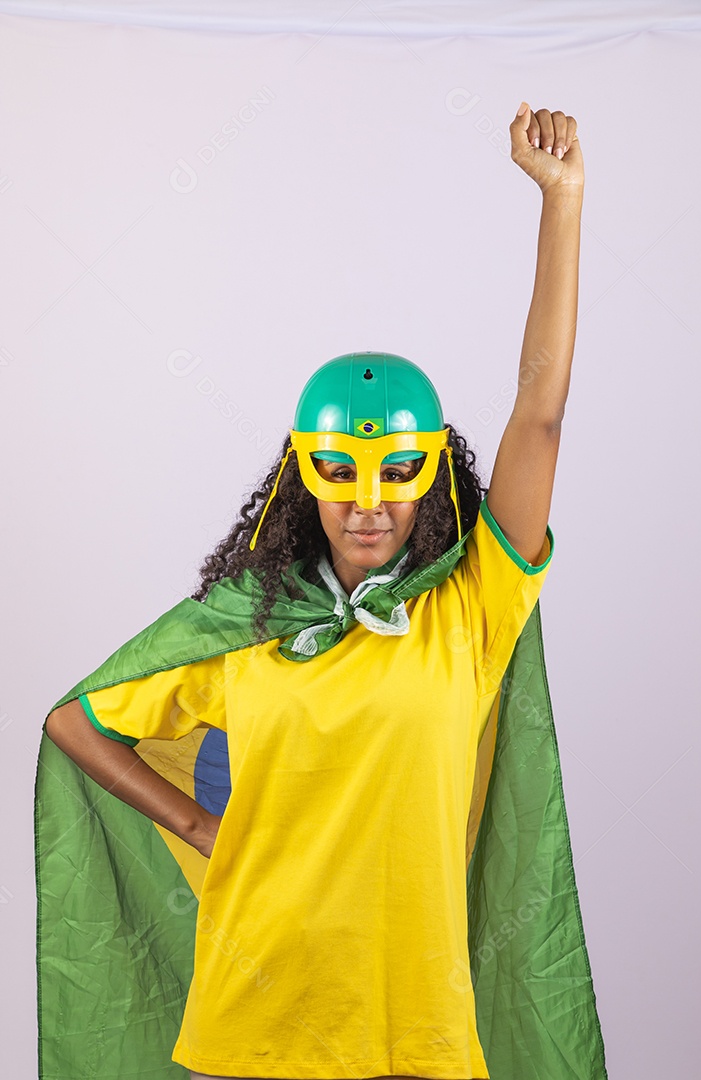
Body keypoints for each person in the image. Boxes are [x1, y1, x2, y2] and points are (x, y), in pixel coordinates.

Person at [37, 104, 607, 1080]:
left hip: (414, 1024)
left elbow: (540, 414)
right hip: (258, 1017)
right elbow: (75, 723)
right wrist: (194, 824)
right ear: (305, 476)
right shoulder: (243, 629)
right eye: (340, 471)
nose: (371, 500)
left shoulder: (468, 610)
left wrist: (564, 201)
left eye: (398, 470)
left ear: (434, 473)